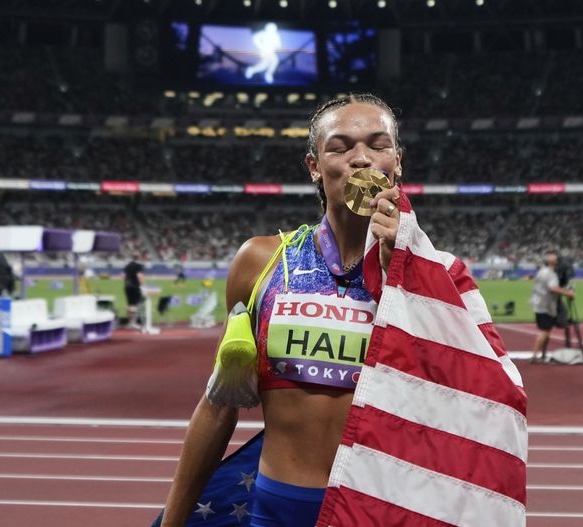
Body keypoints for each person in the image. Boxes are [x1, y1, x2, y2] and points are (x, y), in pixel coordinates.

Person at [161, 94, 433, 526]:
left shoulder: (433, 276)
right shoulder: (260, 261)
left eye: (378, 145)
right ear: (314, 166)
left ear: (397, 162)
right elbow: (218, 407)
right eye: (340, 147)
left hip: (383, 509)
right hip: (276, 508)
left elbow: (453, 402)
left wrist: (403, 272)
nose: (361, 158)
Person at [530, 249, 575, 362]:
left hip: (538, 303)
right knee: (545, 331)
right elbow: (553, 288)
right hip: (546, 305)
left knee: (547, 330)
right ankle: (535, 356)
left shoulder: (542, 271)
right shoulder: (551, 275)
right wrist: (567, 292)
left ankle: (541, 354)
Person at [123, 254, 145, 329]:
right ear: (139, 257)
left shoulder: (127, 266)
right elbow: (139, 276)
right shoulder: (139, 266)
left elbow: (124, 277)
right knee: (135, 305)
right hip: (135, 286)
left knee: (129, 304)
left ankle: (129, 323)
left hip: (127, 286)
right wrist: (142, 285)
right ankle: (133, 322)